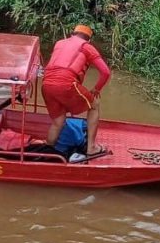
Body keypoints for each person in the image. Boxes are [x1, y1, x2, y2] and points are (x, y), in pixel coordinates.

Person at [42, 24, 111, 162]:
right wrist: (96, 89)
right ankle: (91, 148)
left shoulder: (60, 43)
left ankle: (47, 148)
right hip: (66, 83)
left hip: (46, 84)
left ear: (72, 34)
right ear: (88, 39)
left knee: (58, 121)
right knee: (94, 104)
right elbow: (105, 72)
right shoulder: (87, 47)